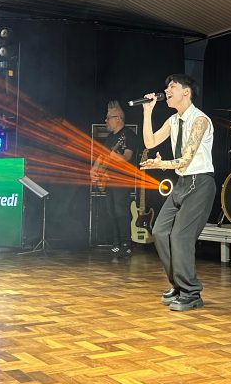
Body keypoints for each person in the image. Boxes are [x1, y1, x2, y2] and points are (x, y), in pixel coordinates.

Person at [140, 74, 215, 311]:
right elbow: (150, 142)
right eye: (167, 87)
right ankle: (178, 285)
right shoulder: (173, 120)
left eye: (172, 87)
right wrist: (147, 112)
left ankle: (191, 293)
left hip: (200, 182)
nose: (167, 91)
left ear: (186, 92)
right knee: (160, 231)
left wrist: (161, 164)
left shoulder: (200, 120)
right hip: (183, 183)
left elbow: (185, 160)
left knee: (180, 236)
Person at [91, 101, 138, 256]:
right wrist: (94, 169)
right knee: (110, 211)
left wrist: (115, 156)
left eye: (108, 118)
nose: (106, 121)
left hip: (121, 179)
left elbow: (127, 157)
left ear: (118, 118)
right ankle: (116, 243)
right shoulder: (111, 137)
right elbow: (101, 156)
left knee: (120, 210)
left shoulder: (128, 135)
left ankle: (126, 243)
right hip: (108, 179)